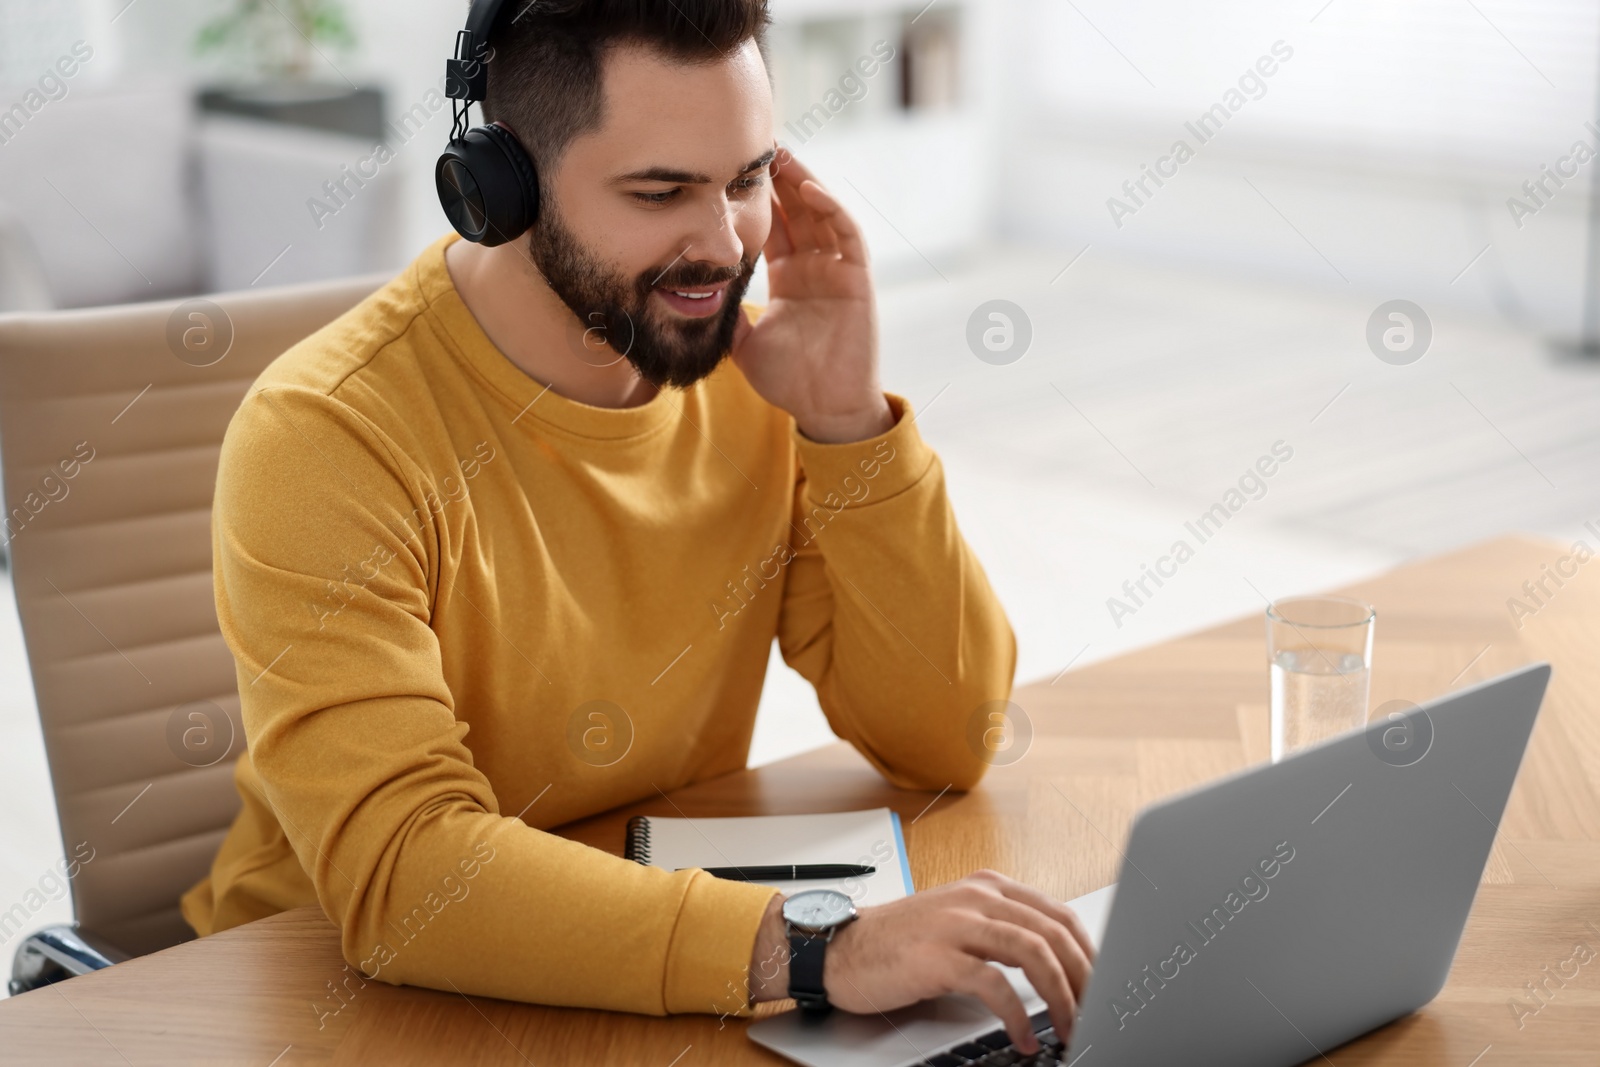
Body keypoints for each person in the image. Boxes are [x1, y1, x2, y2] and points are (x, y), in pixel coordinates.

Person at [180, 0, 1093, 1051]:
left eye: (746, 179)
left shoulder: (745, 372)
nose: (724, 244)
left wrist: (847, 424)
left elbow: (948, 737)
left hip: (635, 972)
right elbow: (403, 874)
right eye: (660, 191)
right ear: (498, 187)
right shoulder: (327, 434)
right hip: (329, 1002)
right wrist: (816, 948)